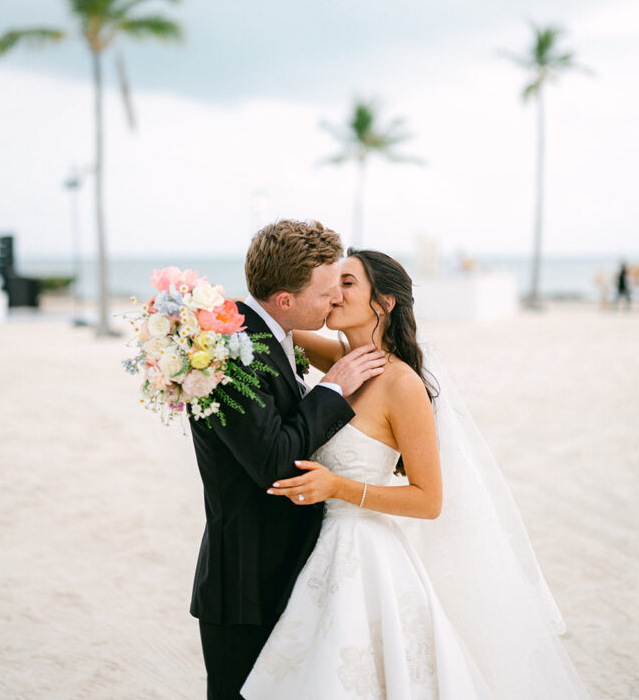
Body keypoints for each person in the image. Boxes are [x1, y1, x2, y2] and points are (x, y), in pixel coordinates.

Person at [242, 249, 592, 700]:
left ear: (384, 302)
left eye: (347, 283)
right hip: (321, 548)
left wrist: (337, 486)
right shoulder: (344, 362)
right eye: (331, 284)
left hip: (368, 554)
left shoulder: (401, 383)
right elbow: (270, 324)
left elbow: (428, 500)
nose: (333, 293)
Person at [189, 220, 387, 700]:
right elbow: (274, 463)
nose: (335, 300)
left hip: (290, 570)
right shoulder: (231, 348)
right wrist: (333, 387)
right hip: (247, 584)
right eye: (326, 293)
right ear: (284, 300)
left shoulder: (270, 334)